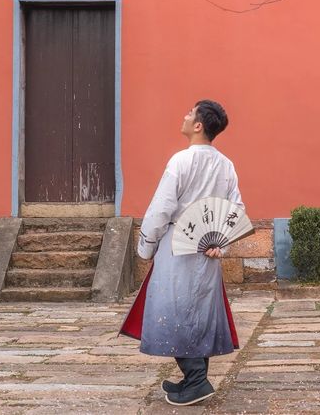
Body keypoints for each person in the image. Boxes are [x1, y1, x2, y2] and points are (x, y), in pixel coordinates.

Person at [136, 99, 242, 407]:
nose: (184, 116)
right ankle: (191, 379)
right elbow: (236, 208)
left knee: (174, 309)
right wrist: (222, 243)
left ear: (198, 125)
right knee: (199, 311)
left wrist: (147, 245)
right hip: (207, 249)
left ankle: (197, 379)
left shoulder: (181, 161)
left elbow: (161, 209)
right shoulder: (226, 165)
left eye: (189, 113)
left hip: (177, 248)